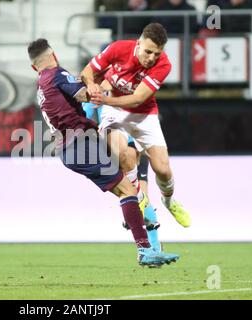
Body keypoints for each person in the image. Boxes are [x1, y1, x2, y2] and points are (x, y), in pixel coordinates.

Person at [28, 38, 179, 267]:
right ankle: (145, 247)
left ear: (33, 67)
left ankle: (142, 216)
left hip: (71, 148)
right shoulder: (58, 74)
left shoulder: (41, 84)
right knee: (127, 189)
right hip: (80, 144)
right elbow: (83, 95)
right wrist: (103, 87)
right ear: (55, 56)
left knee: (126, 170)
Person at [80, 22, 191, 228]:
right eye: (148, 52)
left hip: (144, 114)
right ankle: (140, 201)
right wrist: (92, 85)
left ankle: (168, 201)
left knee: (163, 169)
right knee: (122, 153)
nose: (151, 58)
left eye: (156, 54)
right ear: (138, 43)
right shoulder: (118, 48)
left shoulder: (164, 65)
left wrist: (102, 99)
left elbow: (137, 99)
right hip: (114, 112)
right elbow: (86, 72)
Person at [82, 102, 162, 252]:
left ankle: (154, 244)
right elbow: (85, 111)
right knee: (134, 194)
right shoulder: (97, 89)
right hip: (116, 144)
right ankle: (149, 242)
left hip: (135, 142)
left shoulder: (127, 86)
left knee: (141, 193)